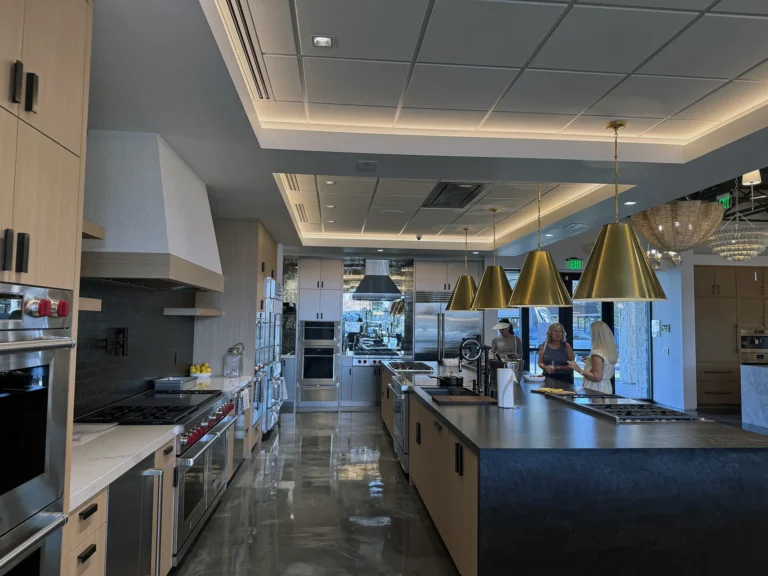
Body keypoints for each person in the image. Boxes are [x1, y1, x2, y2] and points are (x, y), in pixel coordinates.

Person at [568, 321, 617, 394]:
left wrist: (578, 369)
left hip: (595, 388)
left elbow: (597, 377)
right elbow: (604, 368)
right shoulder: (608, 351)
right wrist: (589, 363)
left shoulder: (597, 354)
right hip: (606, 387)